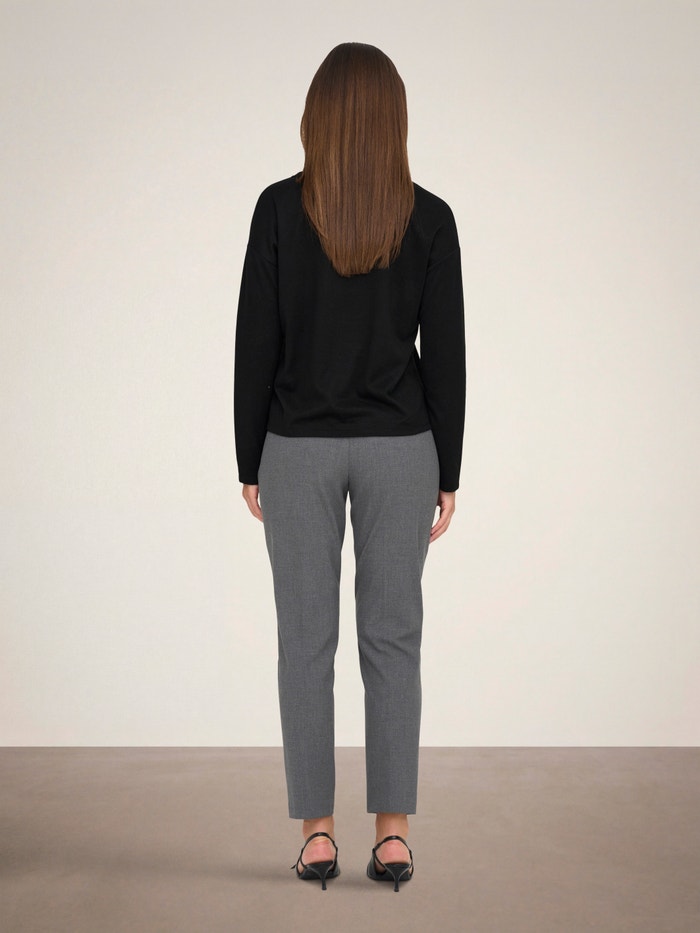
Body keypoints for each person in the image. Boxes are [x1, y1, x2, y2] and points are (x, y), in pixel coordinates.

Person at [233, 41, 466, 893]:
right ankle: (394, 836)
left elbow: (256, 340)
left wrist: (247, 454)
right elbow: (446, 354)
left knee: (305, 641)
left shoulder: (278, 210)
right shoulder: (430, 217)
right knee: (393, 638)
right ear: (394, 119)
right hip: (402, 446)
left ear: (318, 116)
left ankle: (318, 835)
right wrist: (449, 467)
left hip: (296, 445)